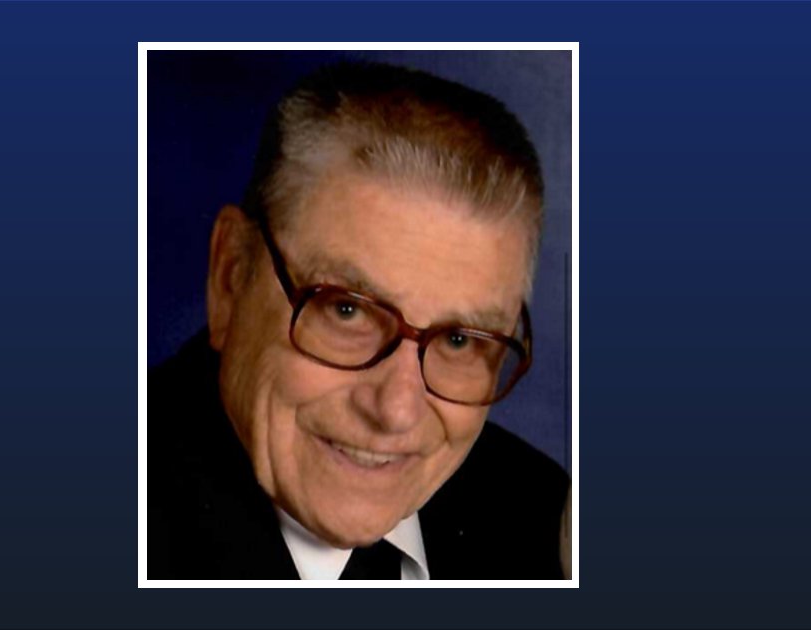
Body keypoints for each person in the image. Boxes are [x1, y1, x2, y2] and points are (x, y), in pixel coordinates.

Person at [148, 61, 569, 580]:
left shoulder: (544, 521)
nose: (396, 411)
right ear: (231, 278)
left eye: (459, 340)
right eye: (346, 310)